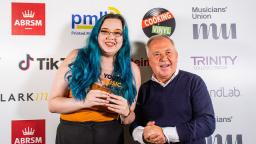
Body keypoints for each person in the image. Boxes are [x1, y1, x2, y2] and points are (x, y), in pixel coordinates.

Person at [48, 13, 141, 144]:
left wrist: (126, 112)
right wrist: (84, 102)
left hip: (111, 135)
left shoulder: (131, 69)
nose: (111, 37)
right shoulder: (77, 57)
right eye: (105, 31)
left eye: (117, 33)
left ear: (123, 38)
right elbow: (53, 105)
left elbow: (128, 119)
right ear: (96, 34)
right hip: (72, 134)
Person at [131, 35, 215, 144]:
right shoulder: (143, 89)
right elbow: (134, 123)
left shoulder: (194, 82)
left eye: (168, 52)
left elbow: (207, 123)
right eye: (157, 54)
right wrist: (143, 134)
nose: (163, 58)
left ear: (176, 56)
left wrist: (165, 133)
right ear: (149, 61)